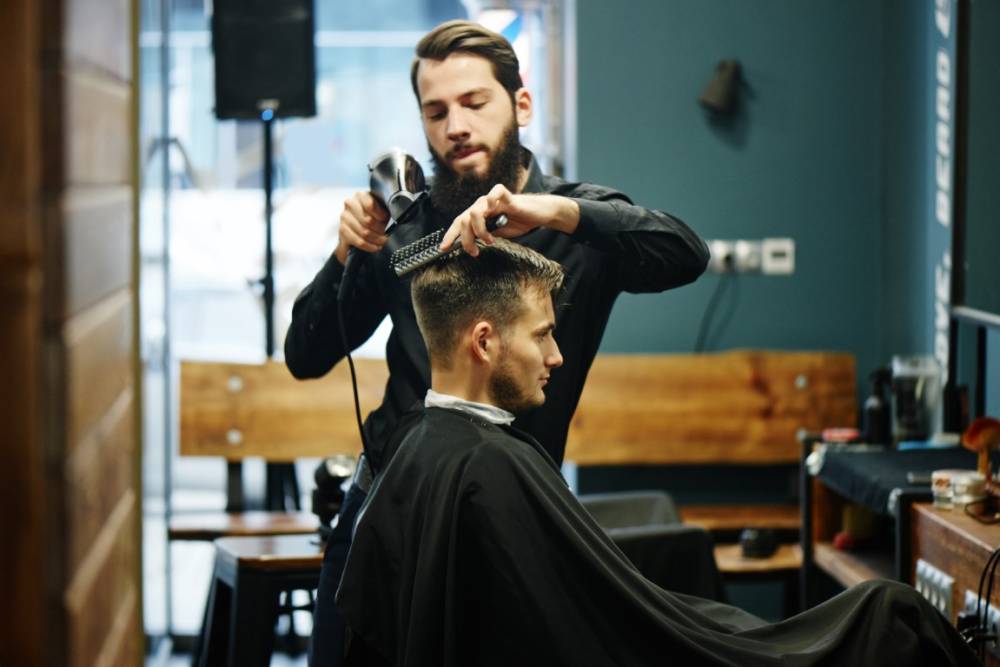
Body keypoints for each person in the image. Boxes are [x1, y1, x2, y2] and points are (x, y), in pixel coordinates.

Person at [336, 240, 977, 666]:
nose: (557, 356)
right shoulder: (490, 466)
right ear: (484, 342)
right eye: (544, 334)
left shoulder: (417, 451)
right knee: (892, 617)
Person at [285, 19, 709, 665]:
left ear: (521, 104)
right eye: (436, 111)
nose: (455, 125)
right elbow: (306, 354)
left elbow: (685, 253)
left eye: (474, 103)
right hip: (389, 506)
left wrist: (555, 212)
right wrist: (344, 253)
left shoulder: (577, 222)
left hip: (513, 516)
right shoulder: (404, 229)